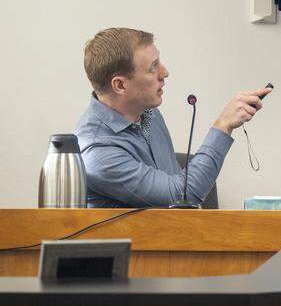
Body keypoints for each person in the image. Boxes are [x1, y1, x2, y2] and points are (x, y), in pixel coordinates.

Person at [74, 27, 270, 208]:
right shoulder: (97, 151)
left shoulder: (146, 111)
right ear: (120, 86)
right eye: (152, 68)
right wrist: (224, 124)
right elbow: (182, 196)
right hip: (141, 245)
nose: (165, 72)